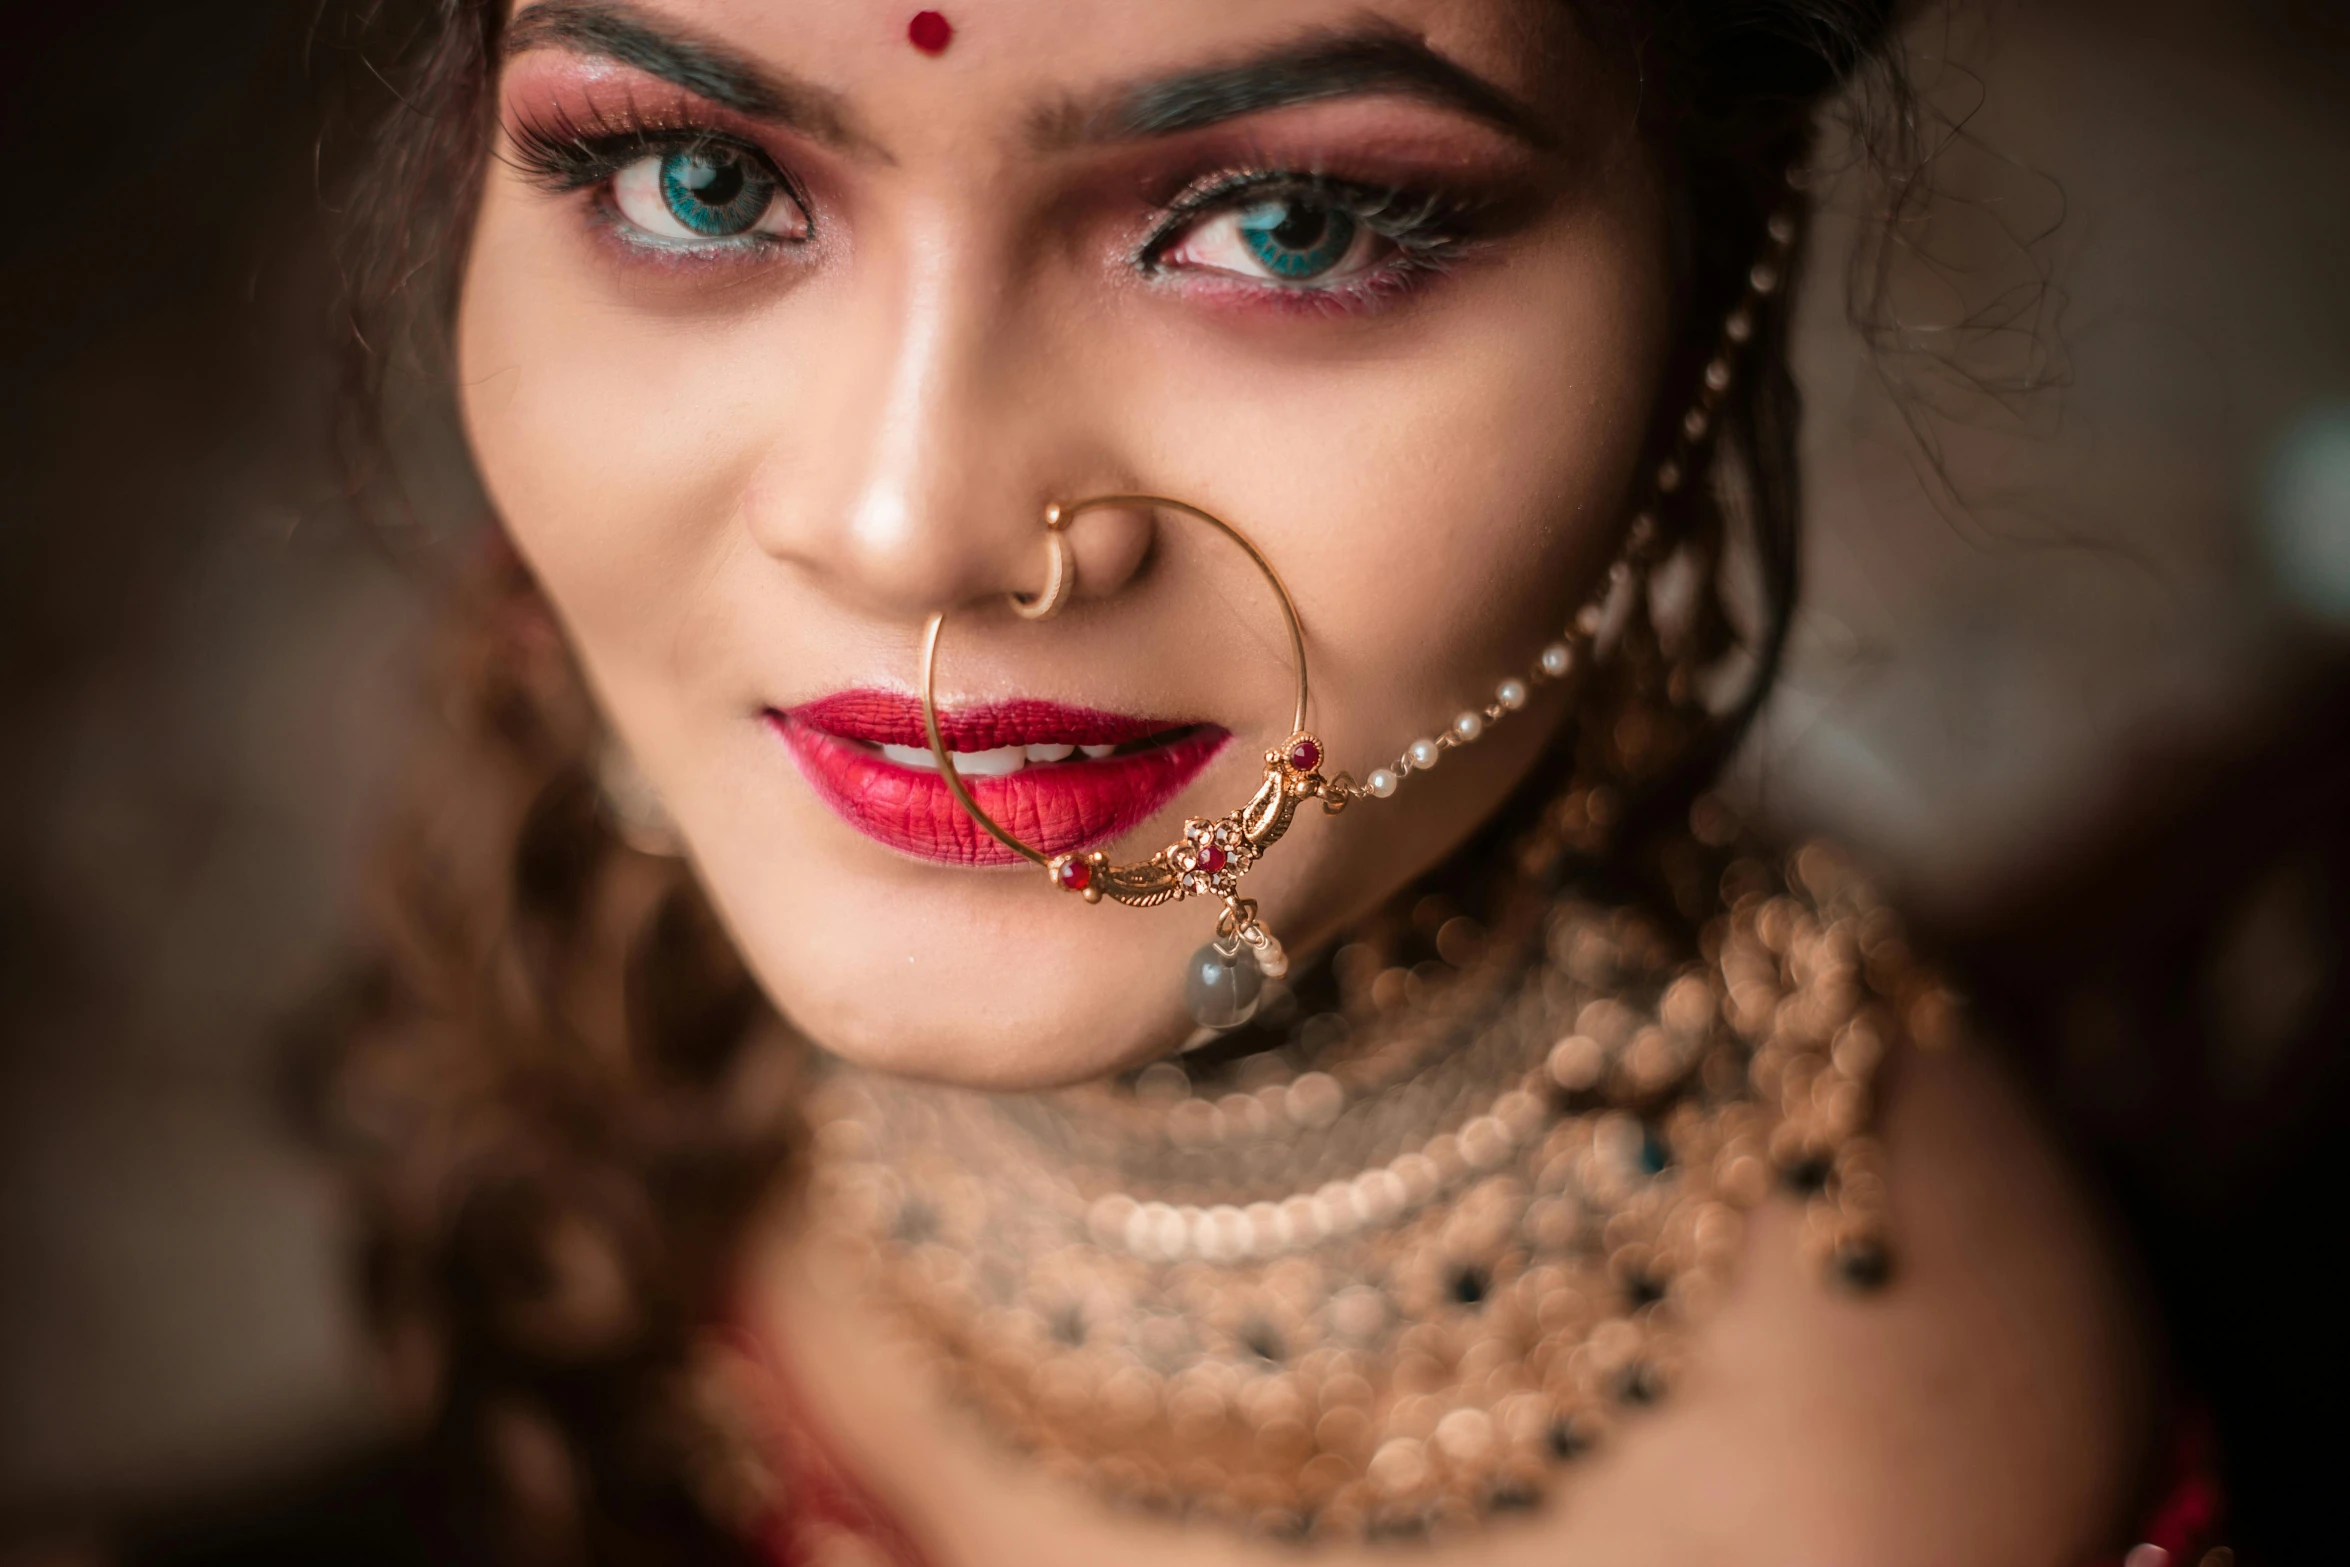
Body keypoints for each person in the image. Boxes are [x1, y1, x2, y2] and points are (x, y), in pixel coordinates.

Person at [263, 1, 2231, 1562]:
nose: (906, 523)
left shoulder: (1870, 1474)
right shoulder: (588, 893)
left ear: (1706, 269)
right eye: (692, 178)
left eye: (1289, 225)